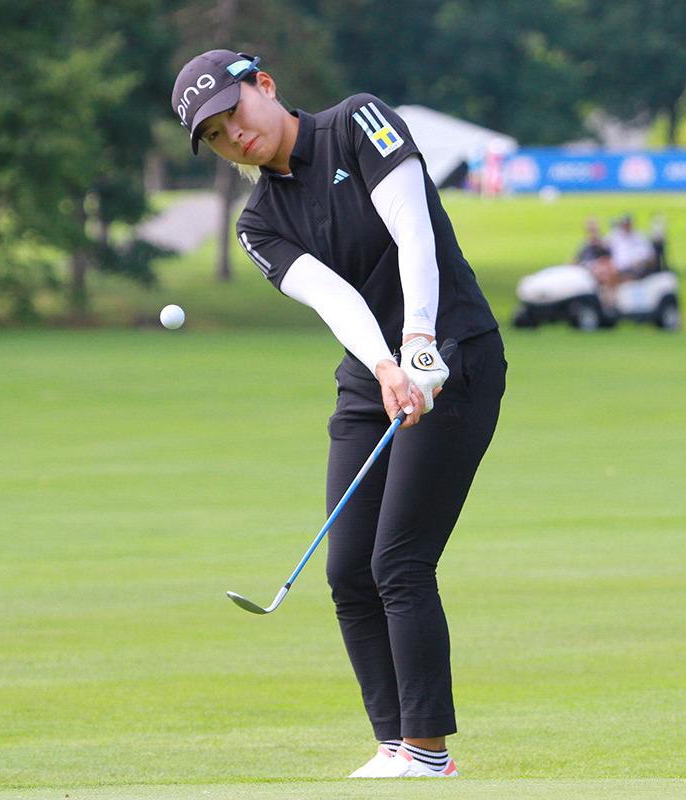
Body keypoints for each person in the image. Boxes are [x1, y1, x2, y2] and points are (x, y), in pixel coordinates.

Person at [172, 50, 505, 778]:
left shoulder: (360, 122)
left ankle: (428, 751)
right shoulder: (259, 222)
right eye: (218, 137)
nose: (236, 138)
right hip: (373, 375)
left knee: (399, 561)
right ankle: (395, 745)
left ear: (265, 87)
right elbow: (336, 300)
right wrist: (387, 367)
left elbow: (414, 233)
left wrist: (418, 342)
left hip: (455, 354)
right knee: (350, 567)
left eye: (236, 115)